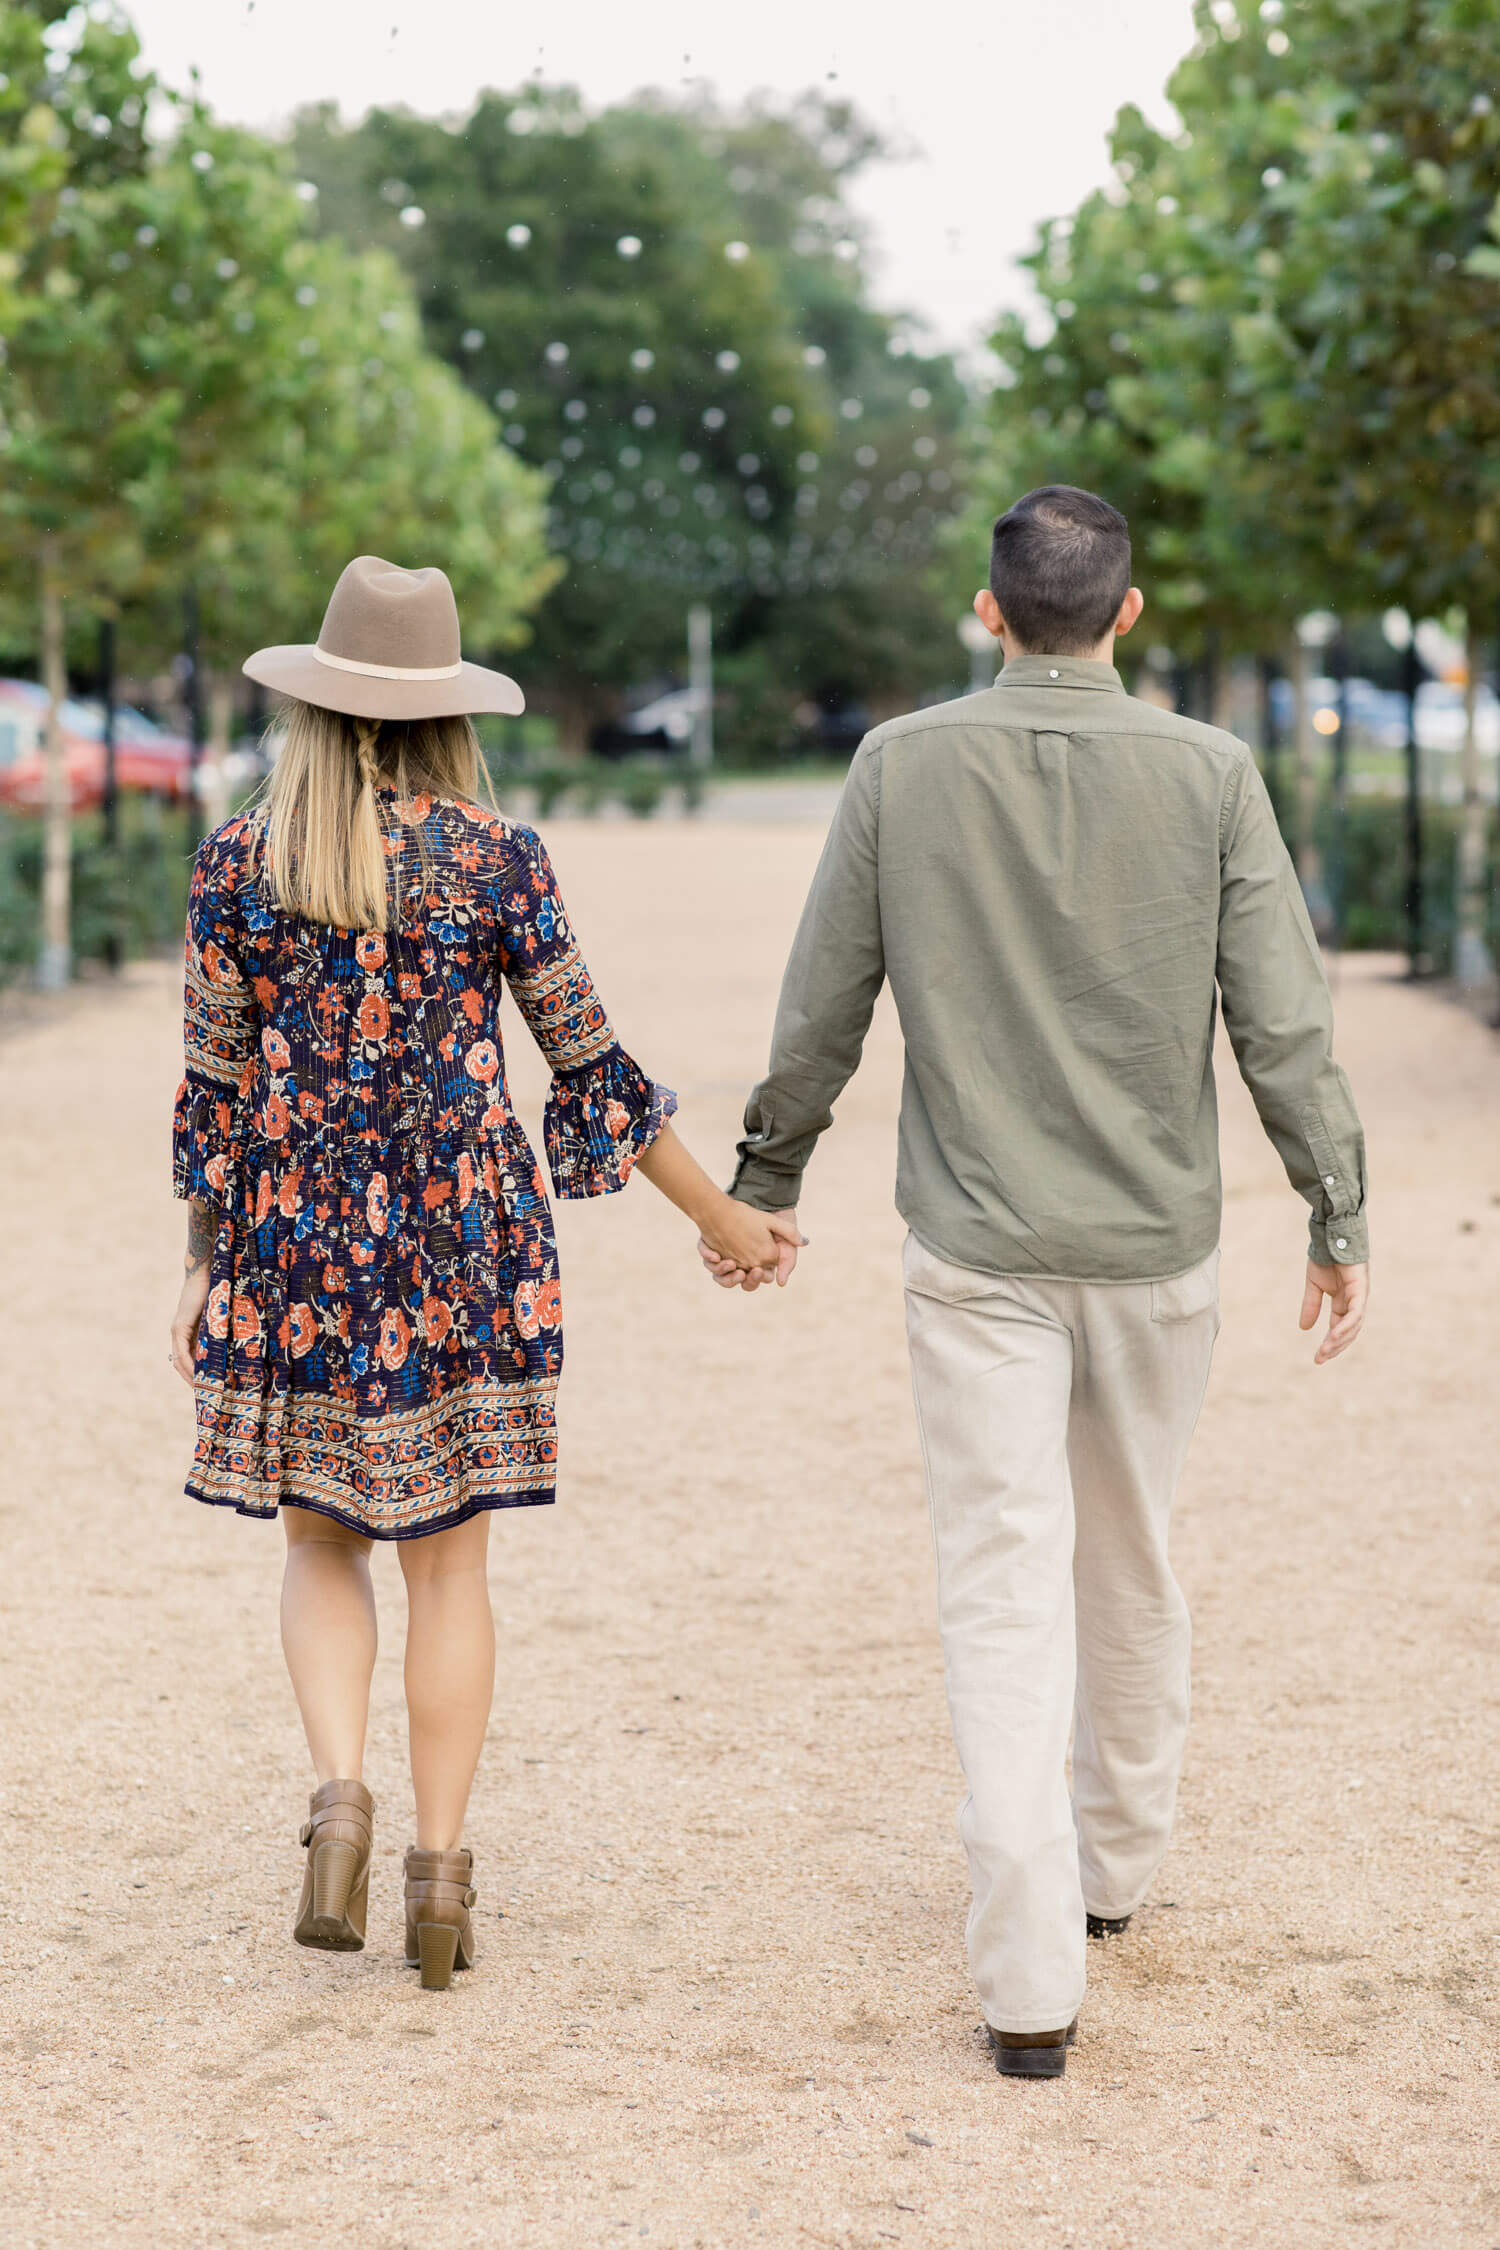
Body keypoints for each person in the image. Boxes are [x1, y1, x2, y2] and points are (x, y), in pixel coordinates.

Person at [703, 485, 1369, 2077]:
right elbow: (1279, 1018)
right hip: (1158, 1247)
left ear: (991, 610)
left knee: (1003, 1579)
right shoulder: (1213, 774)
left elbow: (823, 1004)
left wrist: (766, 1174)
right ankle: (1117, 1870)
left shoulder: (900, 765)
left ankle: (1027, 1977)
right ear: (1128, 614)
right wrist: (1334, 1206)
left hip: (980, 1247)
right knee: (1131, 1548)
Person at [168, 555, 788, 1990]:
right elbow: (595, 1071)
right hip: (464, 1241)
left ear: (317, 706)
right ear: (449, 712)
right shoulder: (498, 860)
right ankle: (440, 1880)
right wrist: (726, 1219)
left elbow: (210, 1092)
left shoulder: (236, 863)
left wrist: (205, 1266)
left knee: (321, 1541)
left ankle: (339, 1799)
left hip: (297, 1236)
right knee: (453, 1572)